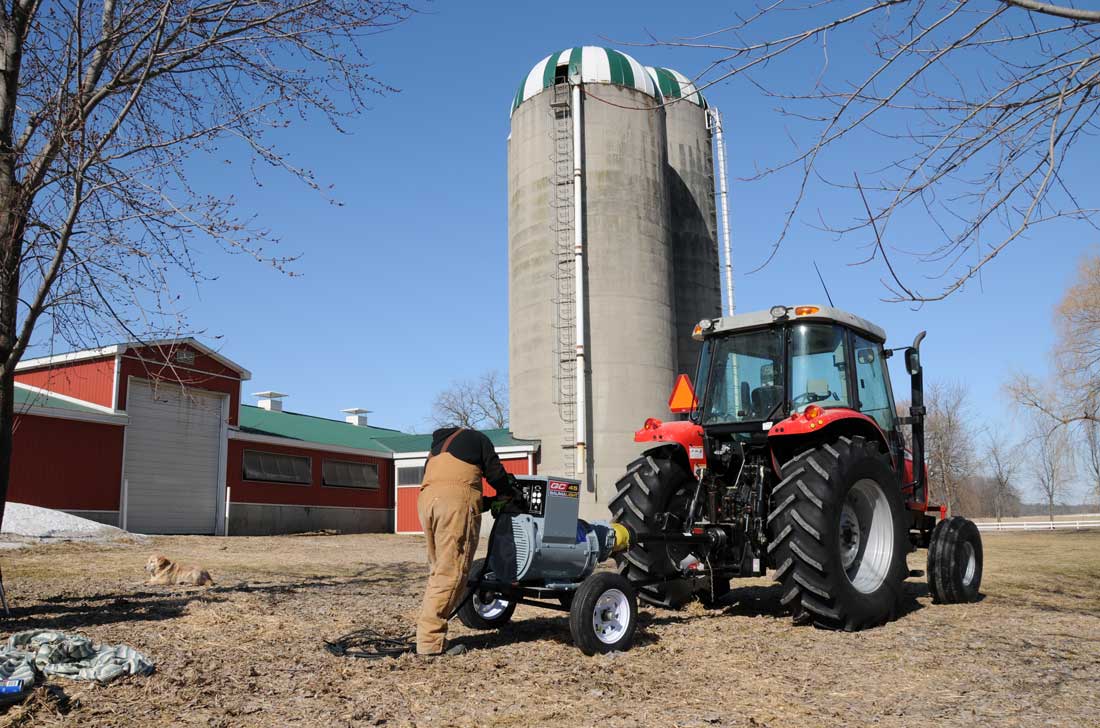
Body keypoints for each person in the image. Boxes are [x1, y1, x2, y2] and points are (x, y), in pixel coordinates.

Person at [416, 426, 517, 657]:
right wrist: (508, 492)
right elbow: (495, 475)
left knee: (439, 568)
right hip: (454, 501)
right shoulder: (478, 439)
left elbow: (451, 490)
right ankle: (430, 642)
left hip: (427, 500)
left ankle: (426, 632)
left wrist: (490, 503)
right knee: (452, 572)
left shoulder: (436, 450)